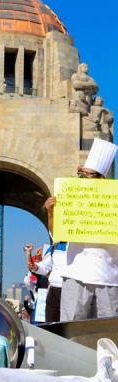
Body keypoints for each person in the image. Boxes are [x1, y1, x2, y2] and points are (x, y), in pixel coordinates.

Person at [45, 138, 118, 321]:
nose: (84, 179)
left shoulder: (114, 200)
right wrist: (51, 212)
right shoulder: (72, 197)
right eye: (81, 175)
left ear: (102, 178)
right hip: (75, 272)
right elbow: (57, 235)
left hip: (108, 275)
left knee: (108, 330)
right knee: (72, 324)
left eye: (89, 175)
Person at [28, 242, 67, 323]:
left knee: (67, 322)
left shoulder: (79, 243)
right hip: (54, 288)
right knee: (51, 322)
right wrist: (36, 267)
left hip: (71, 288)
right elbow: (45, 267)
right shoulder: (53, 247)